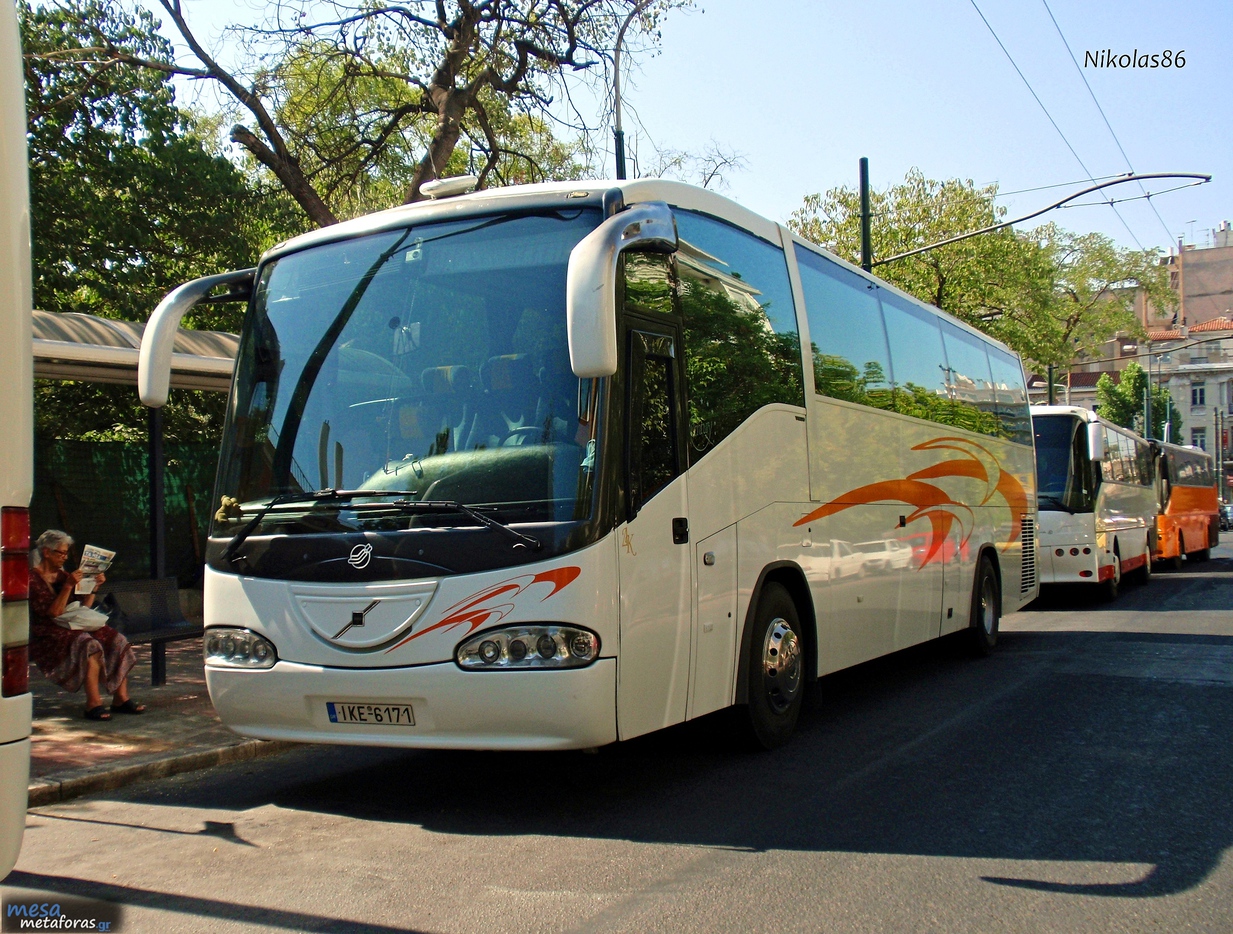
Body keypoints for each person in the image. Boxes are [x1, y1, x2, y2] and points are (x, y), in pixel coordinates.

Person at [28, 530, 144, 721]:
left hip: (73, 623)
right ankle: (93, 704)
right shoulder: (33, 579)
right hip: (48, 631)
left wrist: (94, 586)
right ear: (46, 552)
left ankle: (121, 699)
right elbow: (53, 613)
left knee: (116, 639)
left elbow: (85, 607)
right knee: (89, 645)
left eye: (66, 553)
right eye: (61, 553)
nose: (64, 557)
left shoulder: (64, 575)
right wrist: (67, 586)